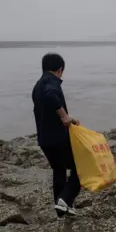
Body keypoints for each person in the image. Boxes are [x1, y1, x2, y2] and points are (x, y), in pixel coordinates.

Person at [32, 53, 81, 218]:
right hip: (58, 138)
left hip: (45, 140)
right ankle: (65, 199)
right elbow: (50, 96)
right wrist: (65, 117)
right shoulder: (51, 82)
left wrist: (67, 117)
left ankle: (62, 209)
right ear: (60, 69)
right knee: (79, 168)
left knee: (59, 171)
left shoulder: (37, 85)